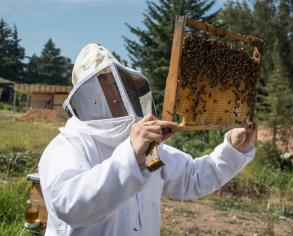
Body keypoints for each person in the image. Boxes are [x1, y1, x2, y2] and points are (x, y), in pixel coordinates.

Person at [39, 43, 256, 236]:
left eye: (118, 85)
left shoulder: (145, 146)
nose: (114, 95)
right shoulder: (67, 147)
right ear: (86, 97)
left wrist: (233, 150)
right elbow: (69, 206)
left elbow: (192, 177)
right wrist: (131, 155)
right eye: (102, 87)